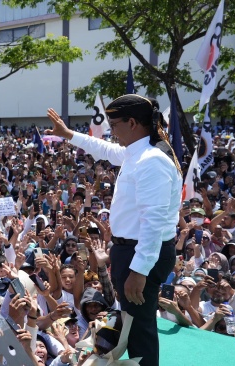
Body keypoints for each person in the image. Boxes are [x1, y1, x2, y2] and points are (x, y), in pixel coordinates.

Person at [46, 94, 182, 366]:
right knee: (135, 323)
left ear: (132, 123)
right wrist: (69, 134)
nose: (111, 130)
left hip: (139, 253)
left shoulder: (151, 160)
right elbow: (105, 149)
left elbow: (153, 223)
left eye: (115, 124)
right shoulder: (139, 152)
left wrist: (139, 270)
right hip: (131, 250)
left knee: (139, 328)